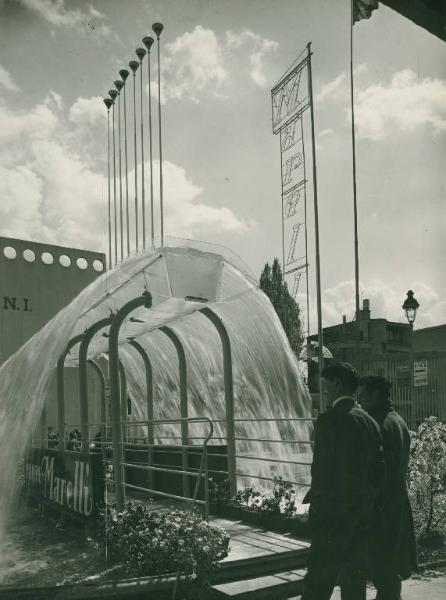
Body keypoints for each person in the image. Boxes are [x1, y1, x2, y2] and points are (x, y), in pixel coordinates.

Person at [302, 361, 385, 600]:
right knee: (354, 584)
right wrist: (364, 503)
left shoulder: (328, 421)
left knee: (318, 583)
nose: (323, 391)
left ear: (337, 384)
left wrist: (317, 512)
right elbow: (380, 473)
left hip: (331, 520)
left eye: (325, 386)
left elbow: (320, 474)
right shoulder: (370, 422)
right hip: (361, 519)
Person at [358, 375, 417, 600]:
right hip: (397, 503)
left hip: (381, 508)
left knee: (383, 572)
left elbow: (376, 473)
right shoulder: (398, 420)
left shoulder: (378, 424)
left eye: (363, 395)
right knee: (390, 571)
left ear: (376, 395)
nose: (360, 401)